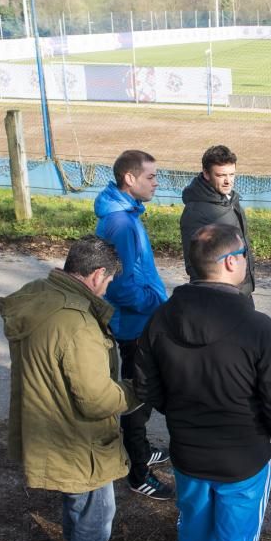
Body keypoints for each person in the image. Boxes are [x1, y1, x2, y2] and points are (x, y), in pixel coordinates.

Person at [136, 224, 271, 541]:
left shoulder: (159, 320)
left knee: (193, 514)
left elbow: (147, 386)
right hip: (243, 460)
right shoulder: (258, 327)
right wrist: (261, 429)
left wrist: (182, 415)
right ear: (231, 261)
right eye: (244, 253)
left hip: (188, 451)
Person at [0, 235, 140, 541]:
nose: (107, 288)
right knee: (96, 511)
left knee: (77, 504)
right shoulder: (77, 324)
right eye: (107, 281)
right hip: (77, 437)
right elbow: (96, 399)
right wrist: (135, 394)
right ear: (95, 276)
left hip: (50, 423)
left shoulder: (41, 294)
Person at [94, 150, 173, 500]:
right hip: (133, 325)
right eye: (151, 177)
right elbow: (122, 285)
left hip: (137, 322)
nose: (156, 182)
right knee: (139, 395)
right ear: (130, 179)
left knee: (141, 391)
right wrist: (159, 306)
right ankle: (138, 470)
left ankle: (136, 448)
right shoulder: (122, 224)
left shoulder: (124, 215)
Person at [179, 145, 255, 295]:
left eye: (232, 174)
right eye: (221, 175)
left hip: (242, 289)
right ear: (206, 174)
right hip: (223, 295)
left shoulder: (230, 199)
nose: (228, 181)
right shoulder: (196, 211)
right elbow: (194, 264)